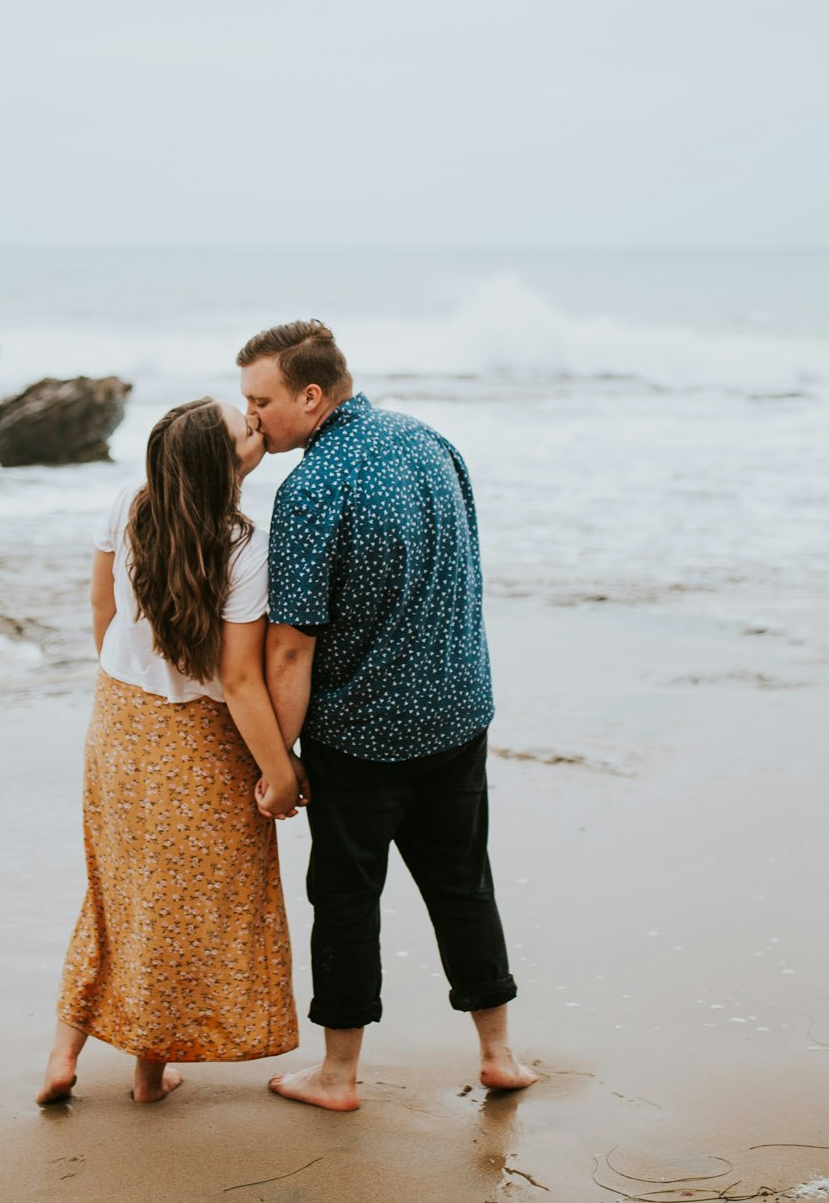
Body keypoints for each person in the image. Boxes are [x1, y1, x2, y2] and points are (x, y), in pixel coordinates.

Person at [237, 320, 537, 1112]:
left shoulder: (310, 489)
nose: (251, 418)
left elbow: (290, 651)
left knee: (344, 899)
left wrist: (281, 762)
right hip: (457, 712)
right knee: (464, 885)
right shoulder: (431, 440)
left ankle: (336, 1076)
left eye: (260, 401)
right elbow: (465, 569)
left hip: (363, 737)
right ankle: (499, 1052)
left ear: (310, 394)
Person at [37, 397, 303, 1106]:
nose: (255, 424)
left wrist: (135, 679)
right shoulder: (243, 542)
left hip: (118, 722)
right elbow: (240, 678)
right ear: (230, 463)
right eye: (243, 425)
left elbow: (102, 613)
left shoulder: (129, 501)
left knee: (115, 891)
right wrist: (280, 773)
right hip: (198, 743)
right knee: (177, 904)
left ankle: (63, 1056)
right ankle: (149, 1075)